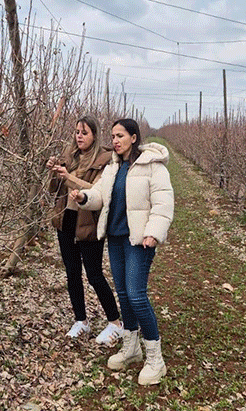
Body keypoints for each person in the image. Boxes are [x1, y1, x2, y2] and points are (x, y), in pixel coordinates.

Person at [71, 119, 173, 385]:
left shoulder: (152, 165)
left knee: (137, 295)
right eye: (113, 136)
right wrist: (83, 198)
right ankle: (131, 347)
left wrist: (154, 232)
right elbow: (99, 195)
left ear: (134, 137)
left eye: (120, 136)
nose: (115, 141)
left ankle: (155, 359)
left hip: (139, 240)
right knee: (125, 295)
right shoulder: (113, 167)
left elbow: (163, 203)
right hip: (116, 239)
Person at [47, 116, 124, 345]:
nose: (79, 137)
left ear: (95, 135)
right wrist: (54, 172)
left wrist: (68, 177)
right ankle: (81, 320)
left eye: (85, 133)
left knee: (94, 274)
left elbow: (97, 191)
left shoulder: (104, 159)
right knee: (72, 272)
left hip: (88, 222)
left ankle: (115, 322)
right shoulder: (69, 156)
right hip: (66, 220)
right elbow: (54, 190)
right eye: (77, 132)